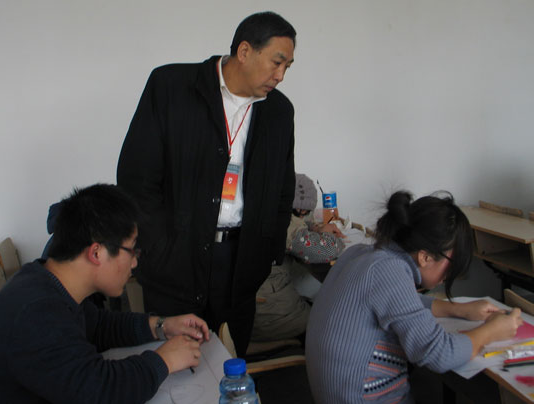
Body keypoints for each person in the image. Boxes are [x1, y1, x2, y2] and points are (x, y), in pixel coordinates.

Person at [117, 11, 296, 356]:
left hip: (240, 262)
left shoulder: (279, 112)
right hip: (175, 257)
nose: (281, 76)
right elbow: (136, 178)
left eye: (288, 66)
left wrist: (265, 254)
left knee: (230, 362)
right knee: (177, 365)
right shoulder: (171, 87)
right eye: (277, 63)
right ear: (245, 51)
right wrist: (157, 248)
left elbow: (282, 189)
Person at [0, 184, 210, 403]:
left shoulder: (45, 280)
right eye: (131, 250)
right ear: (96, 252)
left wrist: (161, 326)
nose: (134, 262)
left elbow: (98, 326)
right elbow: (100, 391)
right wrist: (164, 360)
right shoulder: (36, 312)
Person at [306, 190, 523, 404]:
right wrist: (491, 331)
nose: (447, 278)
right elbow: (439, 354)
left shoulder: (361, 253)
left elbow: (399, 302)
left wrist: (458, 309)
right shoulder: (389, 271)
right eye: (450, 267)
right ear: (425, 257)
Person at [251, 173, 345, 341]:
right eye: (305, 212)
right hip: (269, 312)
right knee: (330, 320)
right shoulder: (284, 222)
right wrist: (334, 238)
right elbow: (326, 250)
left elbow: (300, 228)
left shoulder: (266, 210)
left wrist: (315, 229)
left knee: (314, 305)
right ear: (300, 209)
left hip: (260, 302)